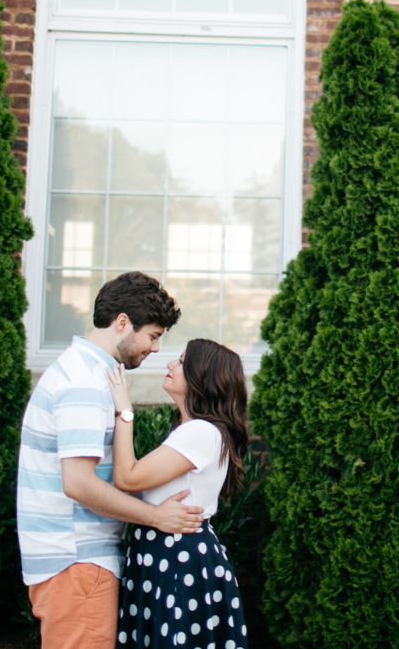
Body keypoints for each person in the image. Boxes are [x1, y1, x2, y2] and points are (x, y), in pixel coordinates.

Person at [18, 272, 206, 649]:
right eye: (153, 336)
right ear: (122, 322)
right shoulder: (85, 381)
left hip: (73, 560)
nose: (155, 349)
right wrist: (156, 517)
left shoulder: (84, 371)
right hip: (76, 560)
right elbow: (78, 483)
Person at [108, 337, 250, 649]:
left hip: (177, 557)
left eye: (183, 362)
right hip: (170, 553)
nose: (171, 365)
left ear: (202, 377)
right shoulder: (194, 431)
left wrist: (125, 412)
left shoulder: (200, 432)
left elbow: (127, 477)